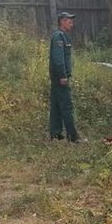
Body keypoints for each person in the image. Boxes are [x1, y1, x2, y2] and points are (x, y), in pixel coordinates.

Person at [49, 11, 79, 142]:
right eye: (69, 21)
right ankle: (73, 136)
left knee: (56, 105)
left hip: (59, 77)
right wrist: (63, 75)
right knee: (66, 106)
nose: (72, 24)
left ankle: (55, 133)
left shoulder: (64, 36)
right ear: (62, 21)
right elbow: (58, 59)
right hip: (60, 77)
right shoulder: (58, 37)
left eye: (72, 21)